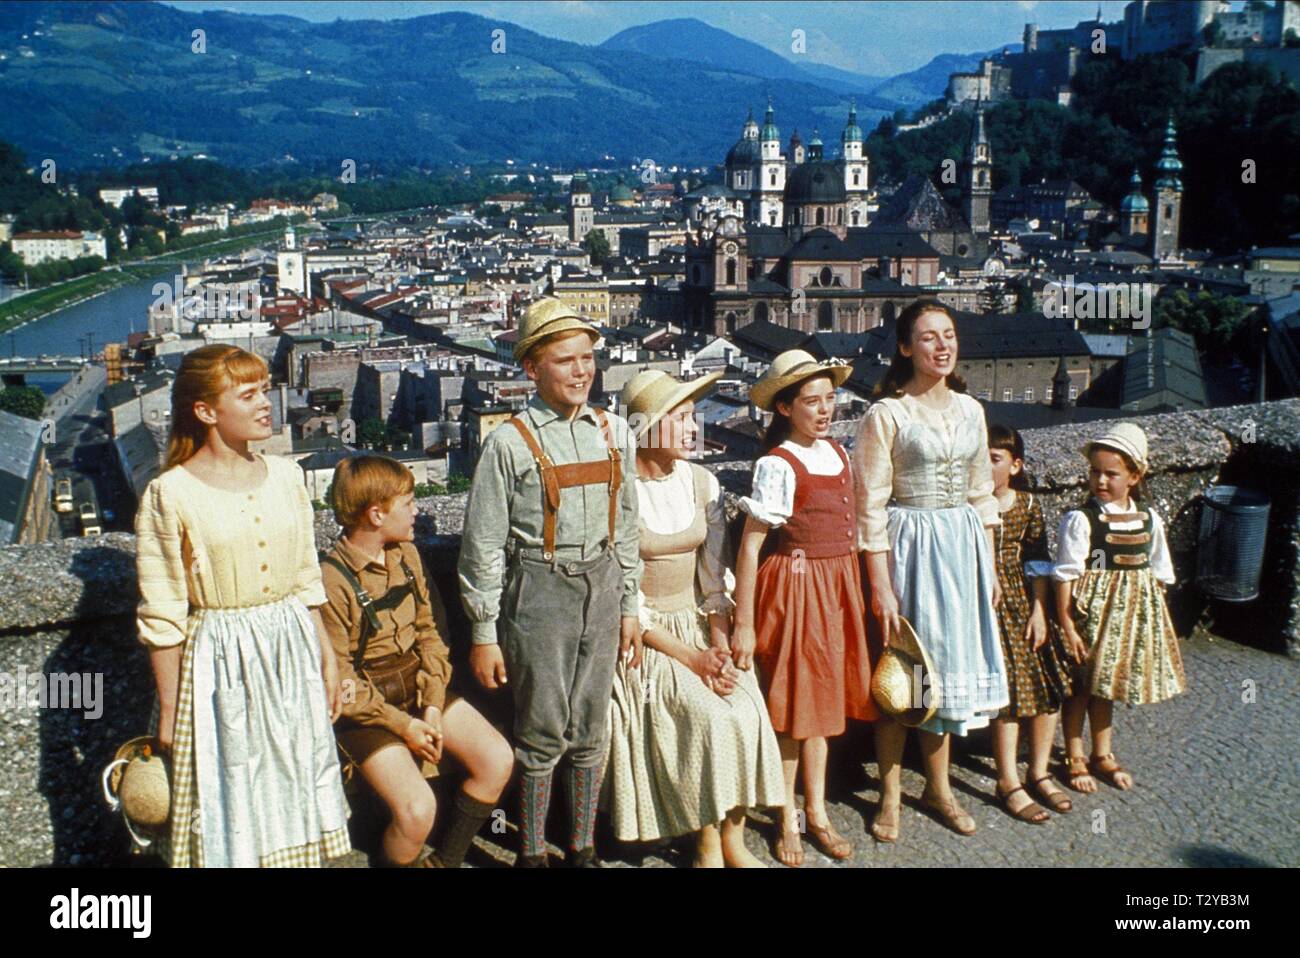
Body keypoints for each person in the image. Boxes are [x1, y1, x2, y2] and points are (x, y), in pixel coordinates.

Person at [135, 344, 350, 867]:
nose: (265, 404)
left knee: (295, 783)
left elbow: (305, 579)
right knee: (230, 793)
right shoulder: (171, 493)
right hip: (219, 663)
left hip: (290, 653)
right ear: (206, 411)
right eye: (248, 394)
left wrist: (327, 655)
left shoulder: (287, 476)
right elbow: (162, 611)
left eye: (263, 391)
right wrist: (169, 713)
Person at [458, 297, 641, 868]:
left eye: (587, 358)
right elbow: (483, 546)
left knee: (591, 724)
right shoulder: (508, 444)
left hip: (604, 587)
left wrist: (631, 604)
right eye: (565, 361)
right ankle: (532, 852)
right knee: (540, 729)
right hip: (539, 592)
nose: (582, 371)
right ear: (532, 368)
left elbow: (628, 525)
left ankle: (581, 846)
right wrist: (484, 632)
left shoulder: (615, 433)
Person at [606, 370, 785, 867]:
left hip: (699, 627)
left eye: (692, 415)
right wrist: (693, 658)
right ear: (644, 427)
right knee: (708, 719)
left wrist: (720, 641)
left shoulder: (701, 482)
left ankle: (733, 838)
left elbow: (713, 579)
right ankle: (707, 843)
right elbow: (626, 597)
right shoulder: (619, 492)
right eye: (680, 418)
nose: (693, 427)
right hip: (648, 637)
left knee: (746, 707)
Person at [852, 299, 1008, 842]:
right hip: (909, 550)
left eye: (949, 335)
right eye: (927, 337)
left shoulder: (971, 411)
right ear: (904, 348)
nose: (942, 347)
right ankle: (891, 794)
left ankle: (937, 788)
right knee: (906, 670)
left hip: (960, 551)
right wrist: (881, 587)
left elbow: (982, 495)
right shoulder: (887, 414)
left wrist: (987, 568)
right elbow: (868, 506)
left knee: (944, 671)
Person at [320, 455, 513, 867]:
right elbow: (341, 682)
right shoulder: (331, 581)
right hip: (367, 712)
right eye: (407, 503)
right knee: (416, 810)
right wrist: (404, 726)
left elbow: (429, 633)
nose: (417, 511)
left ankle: (444, 861)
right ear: (376, 514)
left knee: (496, 760)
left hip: (418, 687)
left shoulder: (406, 555)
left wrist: (431, 702)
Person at [732, 349, 877, 867]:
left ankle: (817, 809)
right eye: (811, 401)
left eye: (829, 398)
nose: (824, 410)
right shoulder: (778, 463)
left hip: (837, 586)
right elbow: (751, 546)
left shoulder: (837, 453)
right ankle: (787, 811)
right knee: (795, 707)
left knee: (823, 703)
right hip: (797, 589)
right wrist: (744, 624)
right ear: (785, 409)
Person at [1053, 422, 1185, 793]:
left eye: (1111, 473)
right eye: (1095, 471)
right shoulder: (1082, 520)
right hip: (1090, 612)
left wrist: (1151, 619)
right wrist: (1066, 622)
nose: (1100, 480)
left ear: (1134, 476)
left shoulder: (1149, 518)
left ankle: (1104, 753)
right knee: (1082, 685)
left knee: (1106, 685)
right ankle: (1075, 754)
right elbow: (1065, 573)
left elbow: (1159, 569)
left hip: (1129, 615)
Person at [986, 423, 1074, 824]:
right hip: (987, 602)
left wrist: (1041, 611)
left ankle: (1038, 770)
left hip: (1023, 600)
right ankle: (1007, 779)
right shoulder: (972, 505)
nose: (986, 467)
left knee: (1046, 680)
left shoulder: (1026, 504)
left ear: (1015, 465)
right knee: (1007, 691)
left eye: (995, 460)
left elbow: (1038, 561)